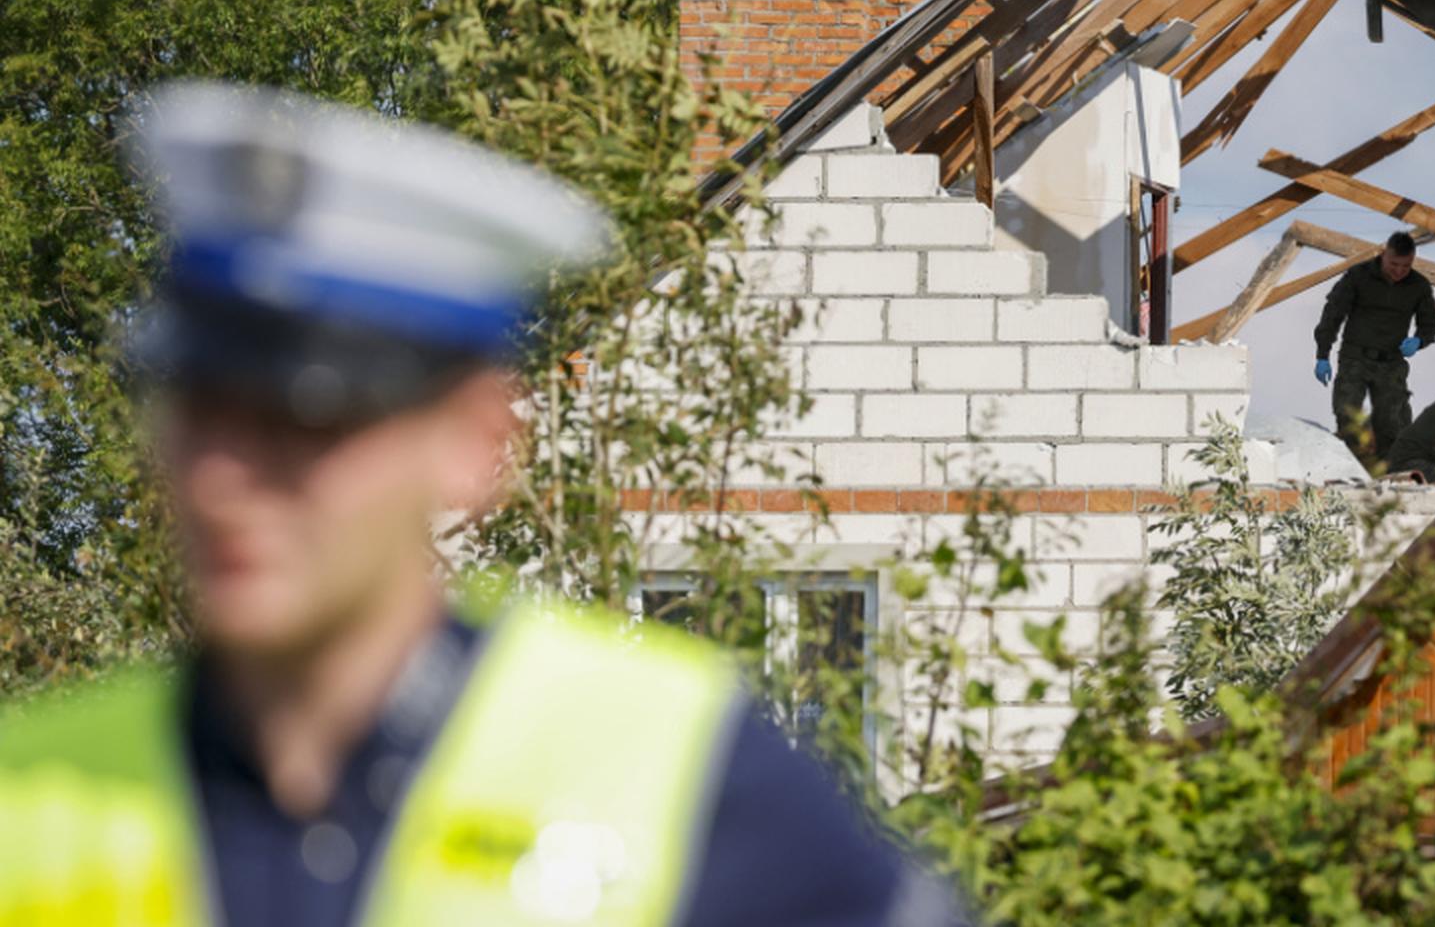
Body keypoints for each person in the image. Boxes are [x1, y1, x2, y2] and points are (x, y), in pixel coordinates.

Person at [0, 83, 957, 926]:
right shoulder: (22, 794)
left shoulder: (693, 781)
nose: (221, 480)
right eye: (200, 409)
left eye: (306, 418)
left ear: (478, 446)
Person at [1312, 232, 1435, 465]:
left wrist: (1419, 341)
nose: (1399, 271)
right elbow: (1333, 315)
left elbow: (1429, 324)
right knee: (1348, 416)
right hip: (1355, 358)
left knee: (1392, 424)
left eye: (1406, 266)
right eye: (1394, 264)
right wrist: (1323, 355)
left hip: (1391, 362)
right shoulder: (1358, 276)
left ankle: (1390, 473)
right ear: (1384, 255)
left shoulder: (1419, 286)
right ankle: (1349, 468)